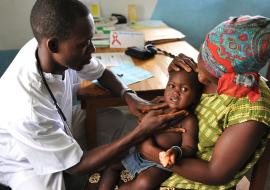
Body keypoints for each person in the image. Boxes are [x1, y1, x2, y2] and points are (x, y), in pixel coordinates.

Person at [0, 0, 187, 190]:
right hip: (23, 158)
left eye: (91, 39)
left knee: (116, 118)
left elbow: (102, 73)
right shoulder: (28, 107)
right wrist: (140, 133)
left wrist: (129, 96)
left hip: (60, 122)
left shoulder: (55, 48)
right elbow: (77, 166)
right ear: (53, 45)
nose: (92, 49)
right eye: (84, 44)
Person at [134, 15, 270, 189]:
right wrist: (180, 79)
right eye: (201, 55)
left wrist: (150, 151)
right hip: (165, 156)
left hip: (193, 180)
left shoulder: (251, 113)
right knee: (104, 173)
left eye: (207, 72)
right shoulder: (216, 74)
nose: (197, 70)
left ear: (230, 77)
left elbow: (215, 174)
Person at [98, 66, 203, 190]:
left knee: (144, 183)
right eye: (171, 86)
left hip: (157, 164)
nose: (176, 92)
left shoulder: (187, 119)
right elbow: (142, 123)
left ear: (195, 97)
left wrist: (175, 151)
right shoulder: (157, 105)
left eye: (184, 89)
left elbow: (189, 148)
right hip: (137, 153)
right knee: (111, 165)